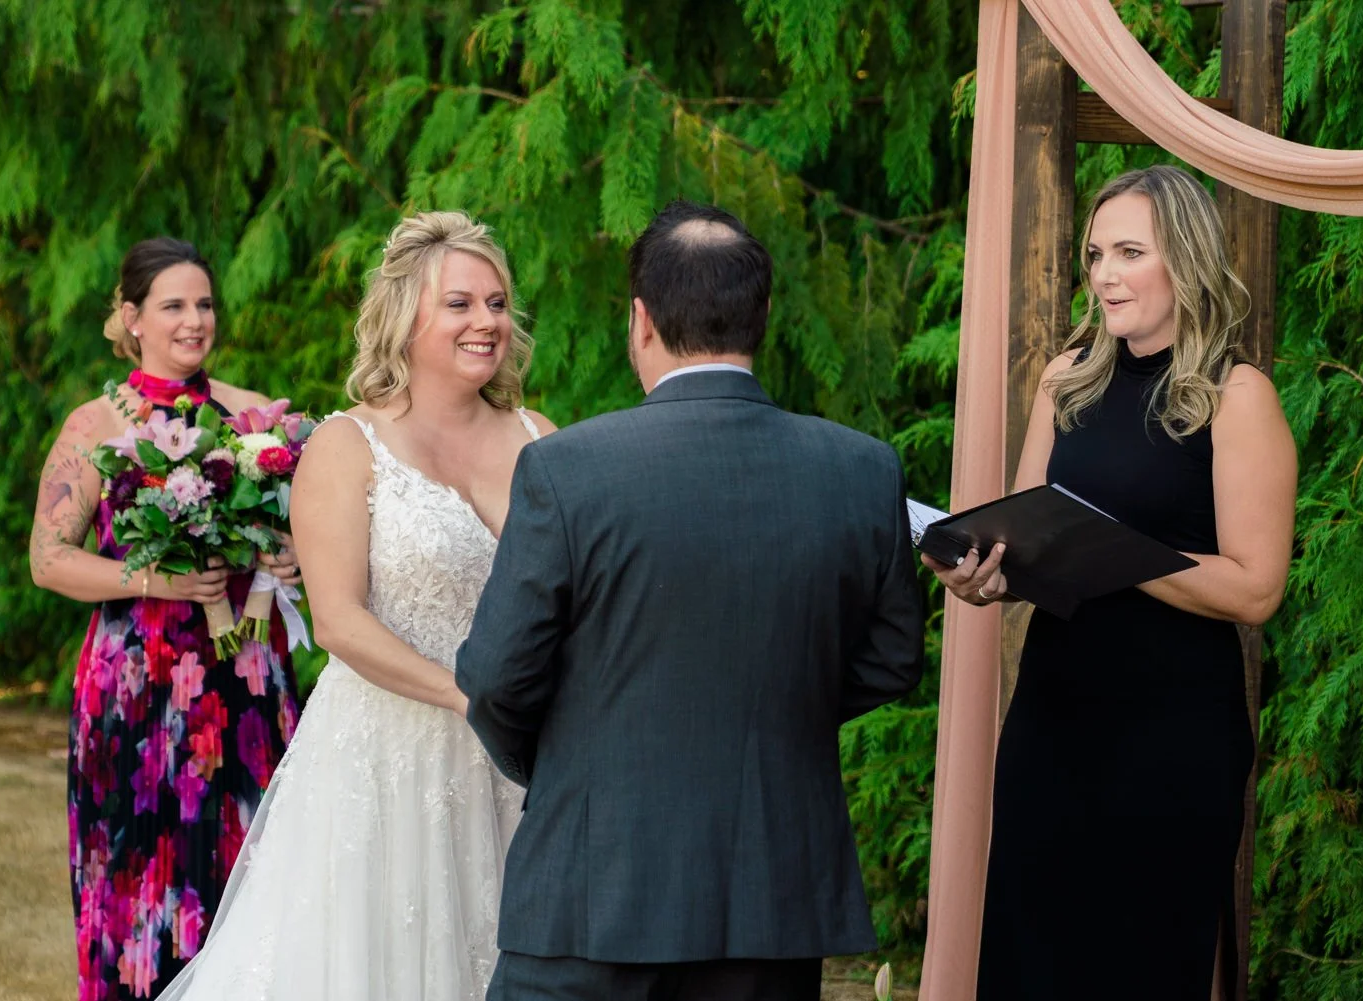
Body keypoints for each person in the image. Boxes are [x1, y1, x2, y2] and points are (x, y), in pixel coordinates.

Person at [455, 199, 926, 1001]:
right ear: (763, 316)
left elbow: (497, 676)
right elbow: (891, 660)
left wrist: (575, 759)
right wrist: (774, 713)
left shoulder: (569, 470)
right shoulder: (862, 468)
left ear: (640, 321)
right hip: (771, 896)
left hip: (593, 887)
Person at [154, 210, 557, 1001]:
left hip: (513, 761)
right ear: (405, 318)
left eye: (499, 304)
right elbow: (338, 621)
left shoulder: (540, 439)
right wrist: (469, 695)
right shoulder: (347, 445)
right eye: (461, 303)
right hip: (385, 754)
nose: (487, 322)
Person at [924, 166, 1297, 999]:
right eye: (1095, 254)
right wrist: (982, 574)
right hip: (1053, 723)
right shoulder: (1067, 381)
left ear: (1187, 262)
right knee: (1030, 961)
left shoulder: (1237, 397)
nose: (1103, 274)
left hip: (1173, 740)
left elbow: (1256, 587)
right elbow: (1029, 539)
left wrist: (1116, 551)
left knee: (1142, 967)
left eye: (1130, 251)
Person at [29, 237, 303, 1001]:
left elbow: (305, 530)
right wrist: (156, 578)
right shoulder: (95, 425)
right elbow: (48, 557)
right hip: (139, 688)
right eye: (173, 305)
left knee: (250, 874)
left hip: (246, 678)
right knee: (139, 877)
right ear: (131, 317)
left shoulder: (254, 416)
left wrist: (291, 562)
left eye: (204, 304)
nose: (194, 321)